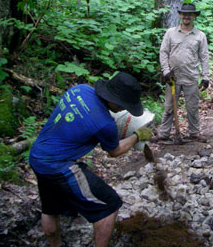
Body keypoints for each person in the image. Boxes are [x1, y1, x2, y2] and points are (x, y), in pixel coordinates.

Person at [29, 72, 153, 247]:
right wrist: (137, 136)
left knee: (50, 208)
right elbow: (115, 151)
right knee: (109, 206)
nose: (124, 110)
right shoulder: (104, 123)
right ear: (116, 102)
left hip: (38, 156)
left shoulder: (79, 90)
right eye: (124, 106)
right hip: (58, 166)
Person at [153, 3, 209, 143]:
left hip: (191, 77)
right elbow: (163, 52)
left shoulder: (200, 36)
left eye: (189, 14)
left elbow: (204, 57)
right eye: (184, 14)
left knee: (192, 107)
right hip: (173, 77)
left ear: (194, 16)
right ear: (180, 15)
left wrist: (206, 76)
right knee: (169, 107)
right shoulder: (170, 33)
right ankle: (164, 133)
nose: (186, 17)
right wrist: (166, 71)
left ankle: (194, 133)